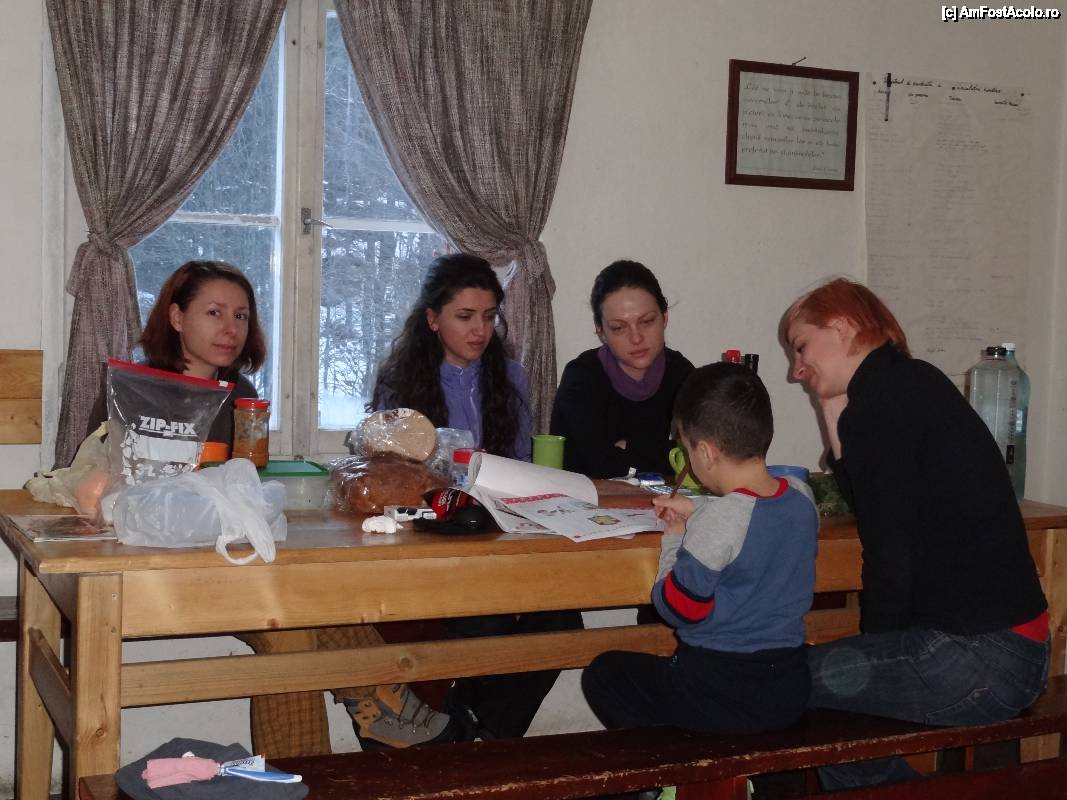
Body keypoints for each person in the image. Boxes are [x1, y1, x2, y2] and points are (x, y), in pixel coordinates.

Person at [89, 260, 451, 757]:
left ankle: (369, 718)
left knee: (317, 603)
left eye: (241, 316)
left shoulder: (242, 397)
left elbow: (244, 490)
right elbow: (93, 481)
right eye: (214, 312)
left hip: (227, 560)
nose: (230, 328)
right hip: (151, 566)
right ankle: (376, 709)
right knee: (290, 633)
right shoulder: (133, 387)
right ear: (176, 317)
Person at [782, 277, 1049, 789]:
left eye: (801, 346)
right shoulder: (908, 383)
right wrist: (830, 405)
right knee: (828, 699)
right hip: (1014, 650)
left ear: (841, 326)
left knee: (782, 683)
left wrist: (876, 654)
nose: (796, 368)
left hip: (978, 657)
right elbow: (870, 498)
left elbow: (888, 552)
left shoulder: (883, 402)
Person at [371, 252, 582, 739]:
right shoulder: (401, 383)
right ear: (432, 319)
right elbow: (389, 480)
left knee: (563, 622)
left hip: (500, 538)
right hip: (433, 547)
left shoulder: (510, 377)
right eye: (464, 316)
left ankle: (473, 734)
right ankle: (480, 740)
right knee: (487, 628)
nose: (480, 330)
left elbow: (523, 464)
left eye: (489, 317)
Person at [581, 362, 818, 735]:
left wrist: (675, 538)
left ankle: (676, 763)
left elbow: (680, 609)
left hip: (718, 689)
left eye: (687, 449)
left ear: (706, 453)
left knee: (604, 675)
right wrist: (698, 508)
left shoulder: (721, 521)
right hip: (787, 687)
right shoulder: (802, 496)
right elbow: (752, 515)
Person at [550, 260, 693, 479]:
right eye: (618, 328)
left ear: (664, 318)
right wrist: (665, 451)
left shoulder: (683, 375)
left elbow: (707, 456)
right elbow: (599, 466)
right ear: (601, 332)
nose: (636, 338)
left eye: (646, 321)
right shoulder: (582, 378)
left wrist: (630, 448)